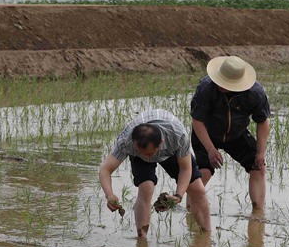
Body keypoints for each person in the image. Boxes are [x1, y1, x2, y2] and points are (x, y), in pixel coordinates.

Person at [98, 109, 211, 237]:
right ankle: (142, 240)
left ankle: (206, 237)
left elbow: (185, 169)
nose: (147, 157)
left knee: (197, 188)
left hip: (170, 150)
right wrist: (109, 195)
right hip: (143, 148)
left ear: (160, 143)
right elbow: (105, 170)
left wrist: (178, 196)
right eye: (141, 152)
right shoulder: (127, 141)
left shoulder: (178, 136)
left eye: (149, 154)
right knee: (146, 187)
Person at [191, 56, 271, 208]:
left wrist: (260, 153)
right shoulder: (206, 88)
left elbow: (262, 122)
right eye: (220, 81)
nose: (221, 86)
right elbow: (197, 121)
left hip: (236, 134)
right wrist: (210, 149)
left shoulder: (255, 93)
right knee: (204, 172)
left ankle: (258, 213)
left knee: (258, 168)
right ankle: (191, 210)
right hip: (207, 133)